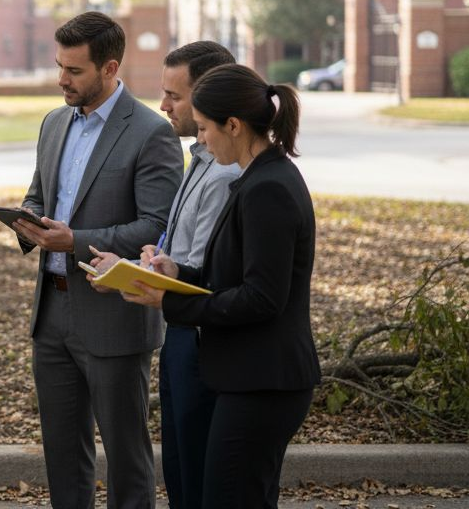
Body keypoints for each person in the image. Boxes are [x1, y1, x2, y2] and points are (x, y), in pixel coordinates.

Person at [121, 63, 320, 509]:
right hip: (252, 378)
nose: (203, 140)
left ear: (234, 125)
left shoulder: (267, 187)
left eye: (207, 128)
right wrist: (177, 274)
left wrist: (171, 302)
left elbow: (262, 298)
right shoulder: (257, 178)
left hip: (264, 382)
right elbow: (231, 278)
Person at [11, 11, 183, 509]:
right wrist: (30, 220)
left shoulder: (151, 132)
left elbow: (156, 226)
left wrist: (75, 240)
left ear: (109, 69)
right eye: (59, 66)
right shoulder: (53, 122)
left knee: (127, 454)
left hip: (116, 312)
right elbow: (39, 194)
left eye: (74, 71)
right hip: (52, 314)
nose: (61, 79)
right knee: (63, 454)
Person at [89, 41, 240, 509]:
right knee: (178, 470)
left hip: (202, 339)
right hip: (179, 336)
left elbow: (203, 278)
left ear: (210, 96)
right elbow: (183, 255)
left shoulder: (226, 174)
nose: (163, 105)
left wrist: (137, 276)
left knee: (198, 477)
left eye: (175, 95)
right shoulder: (198, 159)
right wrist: (153, 258)